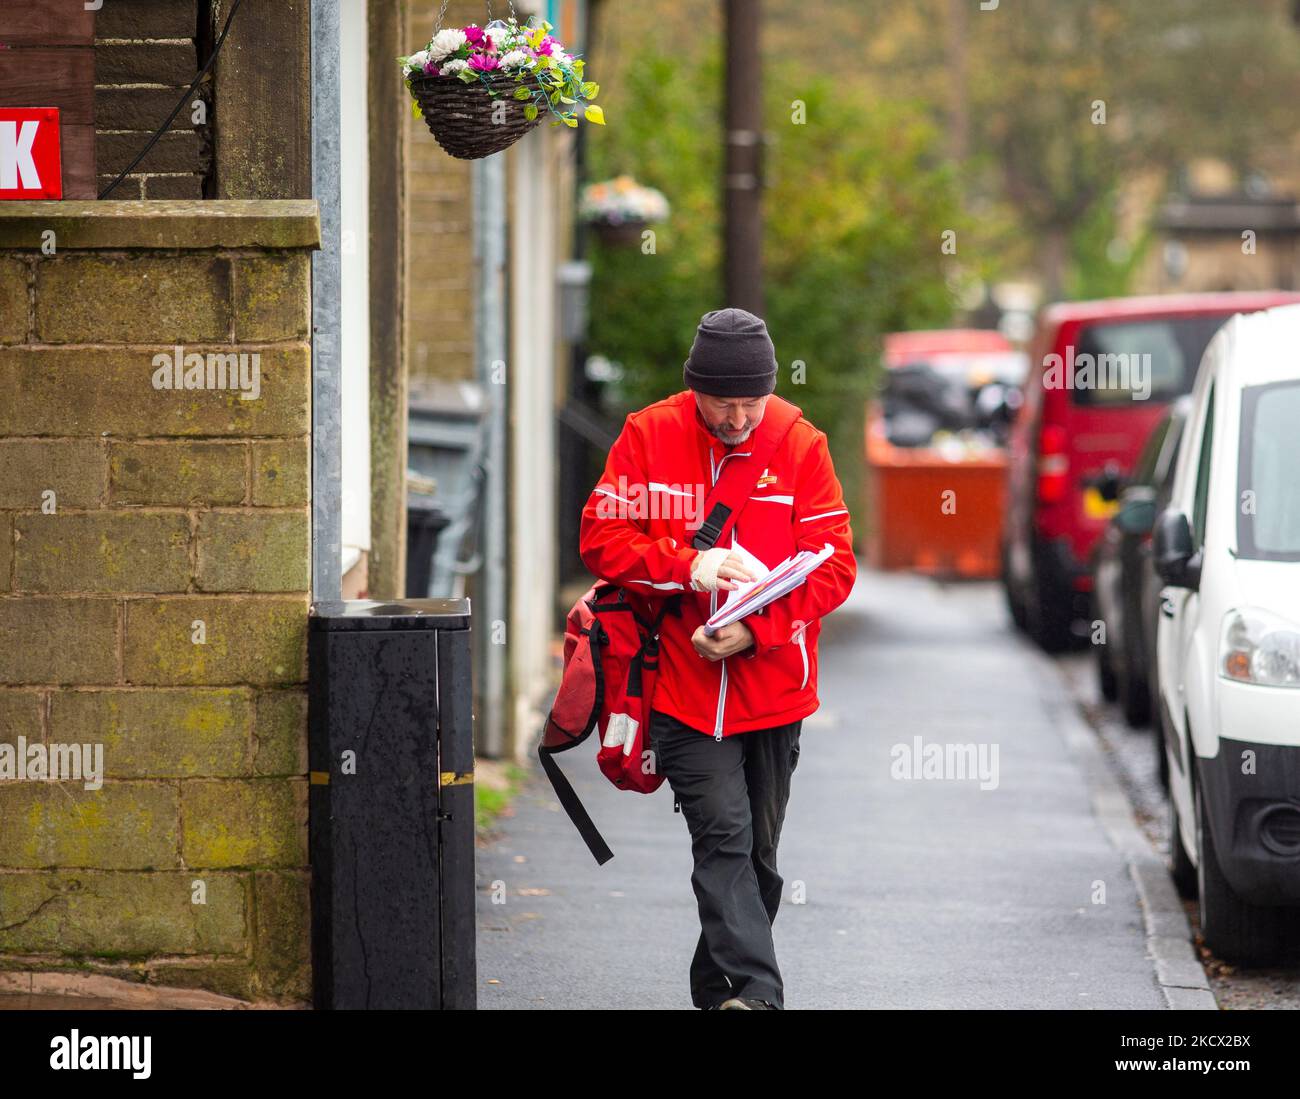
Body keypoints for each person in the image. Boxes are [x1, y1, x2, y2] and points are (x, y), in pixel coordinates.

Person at [578, 307, 857, 1010]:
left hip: (775, 691)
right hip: (678, 685)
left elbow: (835, 568)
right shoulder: (647, 436)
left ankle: (716, 986)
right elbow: (599, 539)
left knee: (759, 862)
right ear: (692, 387)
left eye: (751, 402)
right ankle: (759, 995)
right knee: (724, 839)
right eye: (721, 402)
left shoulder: (799, 443)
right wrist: (686, 565)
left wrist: (757, 629)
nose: (737, 418)